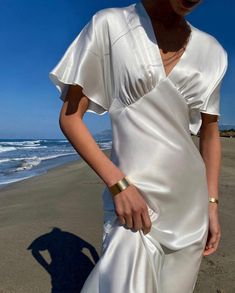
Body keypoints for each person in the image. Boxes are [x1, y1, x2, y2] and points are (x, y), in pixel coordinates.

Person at [49, 0, 228, 292]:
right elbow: (70, 119)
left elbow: (209, 133)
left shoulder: (214, 53)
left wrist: (211, 204)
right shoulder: (110, 25)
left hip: (189, 210)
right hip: (133, 204)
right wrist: (117, 184)